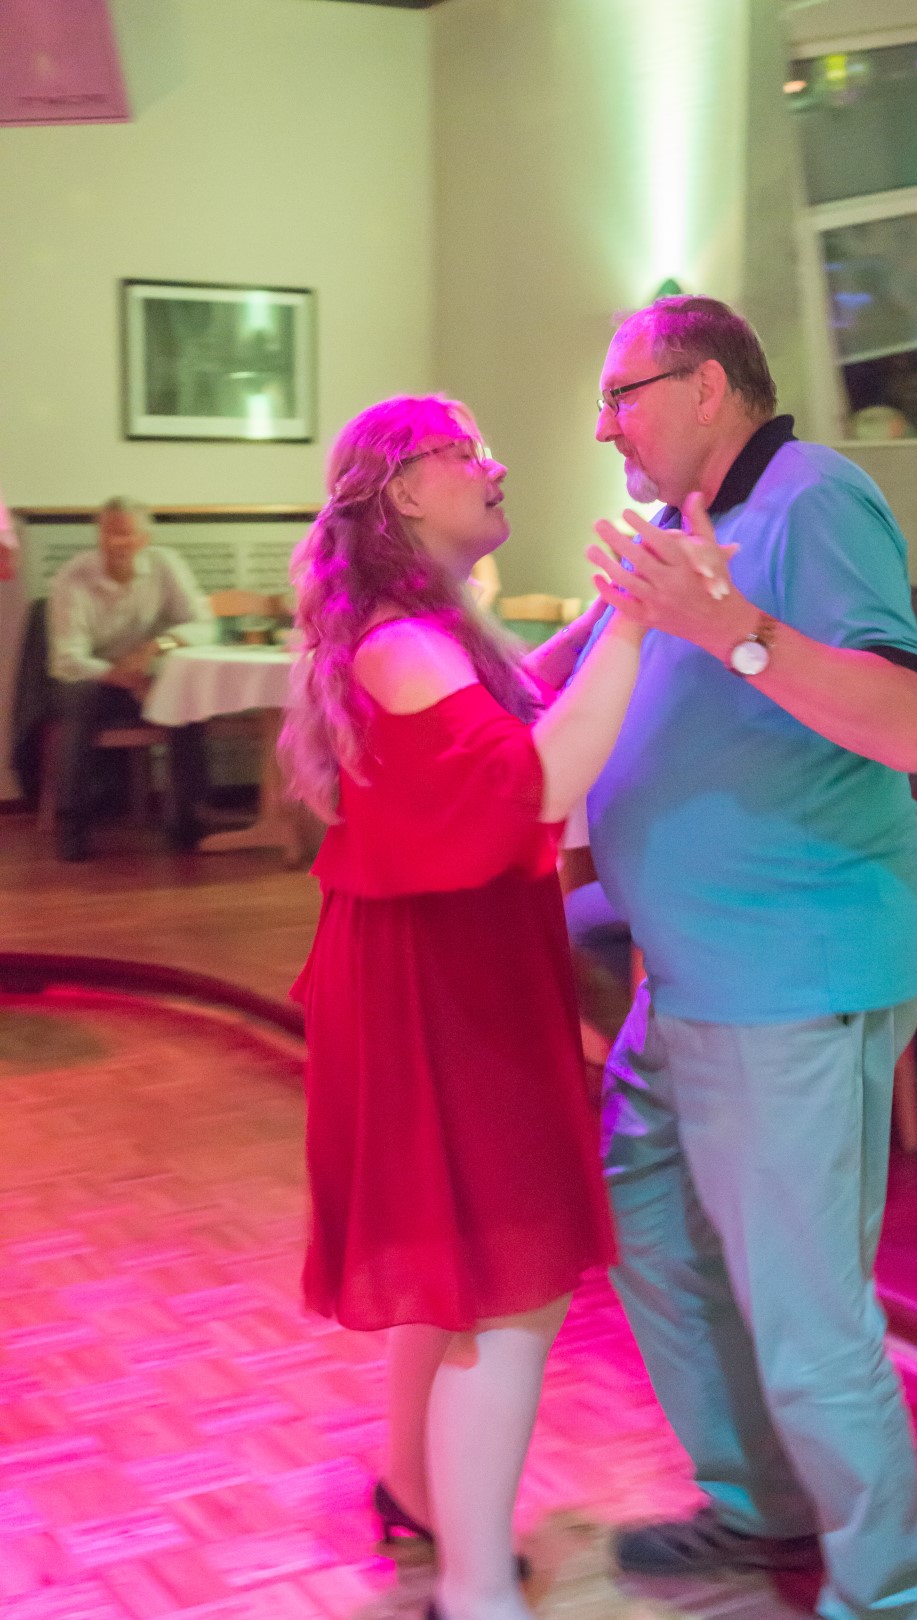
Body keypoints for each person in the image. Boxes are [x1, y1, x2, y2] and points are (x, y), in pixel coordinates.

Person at [583, 296, 917, 1620]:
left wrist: (733, 626)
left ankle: (890, 1595)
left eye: (623, 395)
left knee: (806, 1311)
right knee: (649, 1224)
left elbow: (910, 726)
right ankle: (763, 1507)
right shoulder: (691, 529)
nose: (605, 426)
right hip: (693, 975)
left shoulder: (813, 498)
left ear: (710, 387)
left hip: (793, 971)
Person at [280, 394, 641, 1620]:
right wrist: (642, 629)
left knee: (453, 1258)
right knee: (511, 1280)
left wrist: (598, 623)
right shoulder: (405, 644)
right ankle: (478, 1587)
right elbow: (534, 781)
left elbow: (510, 709)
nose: (495, 466)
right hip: (441, 987)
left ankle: (413, 1490)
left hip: (435, 969)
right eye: (465, 449)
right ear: (401, 491)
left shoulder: (418, 629)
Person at [47, 498, 216, 861]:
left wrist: (157, 646)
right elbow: (67, 660)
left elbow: (205, 624)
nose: (116, 543)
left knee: (186, 697)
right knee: (79, 704)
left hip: (146, 670)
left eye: (125, 534)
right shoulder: (72, 578)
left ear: (144, 539)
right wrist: (120, 675)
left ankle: (188, 818)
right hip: (93, 678)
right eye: (108, 533)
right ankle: (72, 824)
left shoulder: (165, 564)